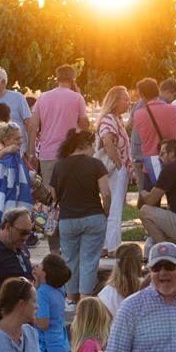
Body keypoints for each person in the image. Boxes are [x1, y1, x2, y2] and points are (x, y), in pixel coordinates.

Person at [51, 129, 110, 302]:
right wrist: (105, 212)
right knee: (90, 260)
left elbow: (53, 194)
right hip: (93, 216)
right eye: (93, 145)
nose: (93, 150)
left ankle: (70, 298)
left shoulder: (59, 165)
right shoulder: (96, 164)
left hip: (67, 219)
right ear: (85, 145)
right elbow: (106, 194)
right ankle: (85, 298)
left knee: (69, 259)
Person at [137, 139, 176, 250]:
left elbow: (150, 200)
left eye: (162, 154)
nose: (159, 158)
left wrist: (142, 192)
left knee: (144, 211)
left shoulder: (171, 168)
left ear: (171, 154)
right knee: (160, 219)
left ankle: (167, 251)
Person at [33, 64, 90, 189]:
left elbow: (33, 126)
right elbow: (85, 126)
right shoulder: (77, 98)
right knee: (70, 191)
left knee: (50, 192)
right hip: (71, 153)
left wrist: (31, 152)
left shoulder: (42, 97)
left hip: (47, 153)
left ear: (57, 78)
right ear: (73, 78)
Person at [94, 86, 132, 255]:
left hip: (117, 169)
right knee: (115, 208)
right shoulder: (109, 119)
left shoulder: (116, 119)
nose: (129, 102)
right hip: (115, 170)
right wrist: (119, 164)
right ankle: (112, 246)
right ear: (115, 101)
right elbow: (108, 141)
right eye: (126, 99)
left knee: (113, 207)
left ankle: (106, 245)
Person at [0, 66, 37, 158]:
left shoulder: (18, 98)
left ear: (3, 82)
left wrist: (31, 152)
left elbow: (30, 125)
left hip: (20, 154)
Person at [133, 77, 176, 172]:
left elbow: (138, 139)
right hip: (174, 162)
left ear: (142, 95)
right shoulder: (175, 109)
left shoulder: (138, 115)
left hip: (151, 166)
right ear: (158, 91)